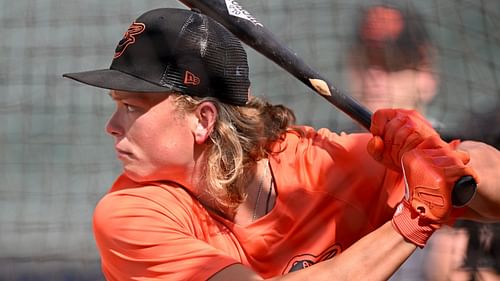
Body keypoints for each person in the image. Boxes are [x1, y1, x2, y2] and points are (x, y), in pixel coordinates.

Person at [62, 7, 500, 280]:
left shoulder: (319, 163)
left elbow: (490, 186)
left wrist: (439, 156)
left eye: (131, 107)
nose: (112, 126)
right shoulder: (131, 214)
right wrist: (412, 221)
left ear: (203, 119)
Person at [346, 4, 500, 281]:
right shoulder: (322, 151)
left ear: (425, 72)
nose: (376, 77)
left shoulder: (463, 142)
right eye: (369, 60)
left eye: (394, 64)